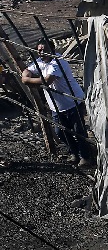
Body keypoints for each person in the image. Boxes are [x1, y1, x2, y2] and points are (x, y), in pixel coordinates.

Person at [21, 39, 91, 167]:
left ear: (52, 50)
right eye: (39, 50)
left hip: (72, 102)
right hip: (57, 106)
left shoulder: (57, 62)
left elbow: (47, 80)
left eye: (44, 50)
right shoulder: (40, 62)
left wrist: (27, 80)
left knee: (78, 131)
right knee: (60, 132)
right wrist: (27, 76)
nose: (41, 53)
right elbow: (27, 70)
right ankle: (74, 152)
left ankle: (86, 157)